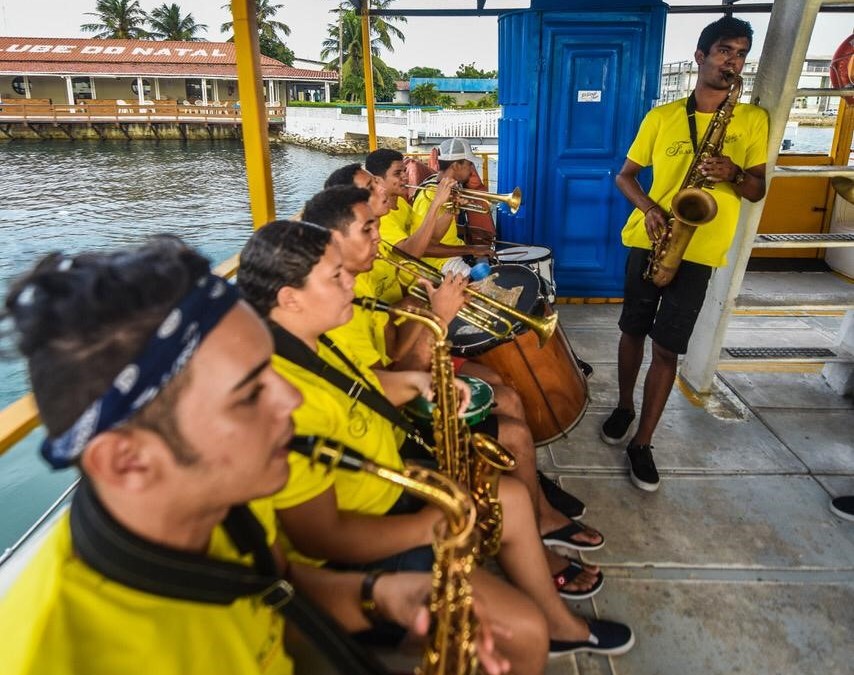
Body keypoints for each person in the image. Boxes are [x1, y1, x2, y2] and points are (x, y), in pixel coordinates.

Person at [0, 237, 504, 675]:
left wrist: (383, 597)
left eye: (271, 371)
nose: (289, 399)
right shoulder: (58, 654)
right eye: (247, 394)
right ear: (126, 461)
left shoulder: (224, 496)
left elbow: (274, 587)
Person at [236, 218, 636, 661]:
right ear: (289, 298)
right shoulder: (282, 398)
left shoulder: (311, 341)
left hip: (392, 486)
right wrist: (434, 522)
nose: (351, 281)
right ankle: (543, 623)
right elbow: (322, 539)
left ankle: (557, 617)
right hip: (362, 544)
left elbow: (357, 388)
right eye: (336, 276)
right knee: (524, 634)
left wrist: (409, 383)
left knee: (515, 498)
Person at [299, 187, 609, 592]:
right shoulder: (343, 303)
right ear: (333, 240)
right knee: (510, 414)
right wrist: (437, 317)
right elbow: (392, 379)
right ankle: (532, 513)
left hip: (400, 393)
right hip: (397, 430)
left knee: (504, 388)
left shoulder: (360, 277)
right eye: (369, 225)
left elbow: (392, 348)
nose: (383, 202)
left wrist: (420, 309)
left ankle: (537, 498)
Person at [604, 16, 769, 492]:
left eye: (740, 53)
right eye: (723, 51)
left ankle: (643, 442)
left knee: (668, 347)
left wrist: (735, 172)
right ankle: (623, 405)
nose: (732, 61)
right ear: (700, 56)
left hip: (701, 249)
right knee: (631, 330)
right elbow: (625, 176)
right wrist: (652, 209)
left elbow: (756, 190)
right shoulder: (662, 116)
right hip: (649, 239)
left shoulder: (752, 120)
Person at [409, 137, 495, 275]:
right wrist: (471, 249)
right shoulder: (429, 196)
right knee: (491, 285)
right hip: (440, 263)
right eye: (469, 165)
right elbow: (425, 247)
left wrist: (470, 233)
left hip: (455, 252)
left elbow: (442, 231)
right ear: (456, 166)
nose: (472, 170)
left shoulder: (448, 187)